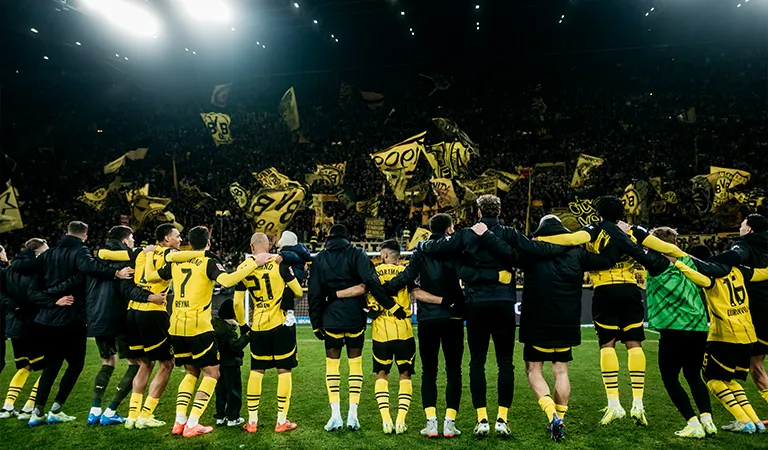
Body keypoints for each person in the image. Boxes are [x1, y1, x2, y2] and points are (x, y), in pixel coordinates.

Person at [417, 195, 564, 438]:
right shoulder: (509, 232)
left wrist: (422, 245)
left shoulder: (465, 234)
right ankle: (502, 420)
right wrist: (564, 245)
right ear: (499, 211)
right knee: (505, 362)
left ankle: (482, 419)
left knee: (477, 361)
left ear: (477, 212)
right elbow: (530, 251)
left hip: (476, 305)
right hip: (504, 303)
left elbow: (437, 246)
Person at [538, 196, 686, 426]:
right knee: (634, 345)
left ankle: (614, 404)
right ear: (622, 213)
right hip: (630, 290)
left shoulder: (594, 229)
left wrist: (537, 238)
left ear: (598, 213)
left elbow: (569, 239)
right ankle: (638, 402)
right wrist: (688, 258)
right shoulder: (633, 230)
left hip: (604, 291)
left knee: (607, 345)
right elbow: (666, 248)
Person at [477, 214, 622, 441]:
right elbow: (607, 260)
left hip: (537, 319)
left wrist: (485, 235)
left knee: (534, 370)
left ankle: (552, 414)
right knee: (561, 370)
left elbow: (507, 252)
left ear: (541, 232)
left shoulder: (533, 251)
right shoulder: (577, 252)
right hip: (567, 320)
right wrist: (617, 232)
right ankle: (560, 417)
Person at [145, 225, 260, 438]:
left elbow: (151, 277)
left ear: (189, 243)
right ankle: (193, 423)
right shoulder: (208, 261)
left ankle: (179, 422)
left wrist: (148, 255)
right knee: (212, 373)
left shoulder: (176, 261)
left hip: (176, 326)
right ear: (208, 243)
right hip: (198, 327)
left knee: (191, 372)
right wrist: (253, 263)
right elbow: (227, 280)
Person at [27, 221, 134, 426]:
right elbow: (90, 268)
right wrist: (115, 273)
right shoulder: (80, 252)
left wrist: (51, 300)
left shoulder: (47, 255)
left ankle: (37, 412)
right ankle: (56, 409)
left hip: (46, 320)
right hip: (70, 318)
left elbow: (31, 292)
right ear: (84, 237)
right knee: (75, 365)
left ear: (66, 232)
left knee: (51, 366)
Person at [308, 223, 404, 432]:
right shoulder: (357, 253)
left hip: (330, 318)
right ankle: (353, 415)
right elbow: (370, 282)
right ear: (346, 237)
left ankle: (335, 416)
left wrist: (316, 323)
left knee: (332, 366)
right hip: (354, 318)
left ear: (329, 238)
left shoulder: (320, 258)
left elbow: (314, 293)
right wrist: (391, 305)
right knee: (355, 365)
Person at [666, 247, 768, 434]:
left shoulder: (711, 276)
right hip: (748, 334)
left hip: (725, 335)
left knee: (712, 379)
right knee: (729, 380)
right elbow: (763, 273)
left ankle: (743, 420)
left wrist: (676, 261)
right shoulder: (738, 271)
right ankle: (756, 422)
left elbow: (693, 274)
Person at [383, 213, 466, 439]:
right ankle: (449, 423)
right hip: (454, 317)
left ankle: (431, 423)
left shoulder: (421, 250)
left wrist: (384, 288)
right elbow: (468, 274)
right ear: (449, 228)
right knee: (454, 371)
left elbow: (407, 277)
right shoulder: (457, 248)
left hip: (428, 319)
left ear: (430, 229)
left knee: (429, 371)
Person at [85, 226, 165, 426]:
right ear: (124, 241)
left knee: (107, 362)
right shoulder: (129, 261)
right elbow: (128, 290)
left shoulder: (98, 259)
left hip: (97, 317)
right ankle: (111, 410)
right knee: (139, 364)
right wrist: (149, 296)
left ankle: (95, 410)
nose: (133, 242)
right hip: (120, 317)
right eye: (131, 239)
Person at [101, 223, 178, 430]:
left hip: (132, 313)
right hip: (152, 314)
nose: (180, 240)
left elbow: (104, 253)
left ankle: (132, 416)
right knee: (167, 363)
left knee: (144, 364)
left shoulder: (138, 253)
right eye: (177, 236)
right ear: (166, 239)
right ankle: (146, 415)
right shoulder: (169, 255)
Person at [641, 230, 716, 439]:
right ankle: (708, 420)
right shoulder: (690, 263)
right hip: (699, 327)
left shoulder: (657, 265)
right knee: (693, 375)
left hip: (675, 329)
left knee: (670, 378)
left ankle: (692, 422)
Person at [235, 232, 303, 434]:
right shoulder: (280, 264)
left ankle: (252, 421)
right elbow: (299, 292)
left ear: (252, 246)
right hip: (281, 324)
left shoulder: (244, 269)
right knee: (284, 371)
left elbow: (237, 303)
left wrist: (243, 326)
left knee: (257, 371)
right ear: (269, 246)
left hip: (258, 326)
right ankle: (281, 420)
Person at [366, 240, 420, 435]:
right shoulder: (405, 274)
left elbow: (368, 304)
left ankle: (386, 420)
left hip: (381, 332)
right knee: (405, 375)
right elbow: (417, 293)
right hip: (404, 330)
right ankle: (401, 421)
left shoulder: (373, 273)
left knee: (382, 374)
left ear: (385, 255)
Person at [0, 239, 48, 420]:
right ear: (37, 252)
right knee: (47, 366)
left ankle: (7, 407)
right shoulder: (37, 269)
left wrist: (14, 307)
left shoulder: (9, 270)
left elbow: (2, 295)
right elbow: (35, 296)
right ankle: (29, 407)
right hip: (33, 324)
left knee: (24, 366)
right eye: (45, 250)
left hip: (14, 325)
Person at [728, 214, 768, 406]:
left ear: (749, 229)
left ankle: (742, 415)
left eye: (742, 226)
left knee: (753, 365)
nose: (740, 229)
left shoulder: (744, 244)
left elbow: (735, 258)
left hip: (757, 312)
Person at [211, 299, 250, 428]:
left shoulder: (215, 325)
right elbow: (235, 346)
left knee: (220, 391)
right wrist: (247, 336)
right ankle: (233, 417)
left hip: (217, 363)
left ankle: (220, 416)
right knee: (233, 391)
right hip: (231, 364)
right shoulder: (228, 329)